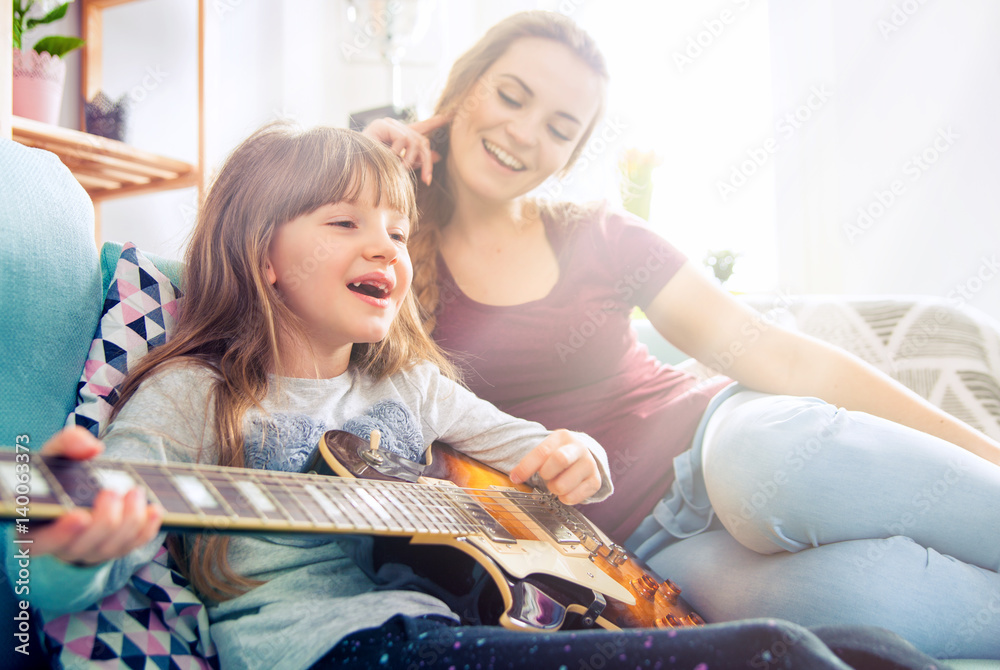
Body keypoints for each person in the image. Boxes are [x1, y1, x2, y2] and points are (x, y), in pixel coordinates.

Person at [11, 123, 928, 670]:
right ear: (262, 259)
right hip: (335, 652)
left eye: (399, 231)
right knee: (776, 651)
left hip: (459, 625)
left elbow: (550, 458)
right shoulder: (193, 392)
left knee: (866, 647)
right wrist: (73, 545)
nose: (388, 250)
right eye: (345, 224)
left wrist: (577, 456)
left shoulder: (409, 387)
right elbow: (68, 566)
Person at [363, 9, 1000, 660]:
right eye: (510, 95)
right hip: (641, 554)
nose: (522, 133)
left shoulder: (599, 235)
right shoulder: (384, 251)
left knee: (767, 468)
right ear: (463, 86)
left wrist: (986, 454)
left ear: (570, 154)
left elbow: (777, 354)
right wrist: (363, 168)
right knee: (860, 602)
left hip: (716, 444)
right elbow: (278, 302)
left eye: (559, 128)